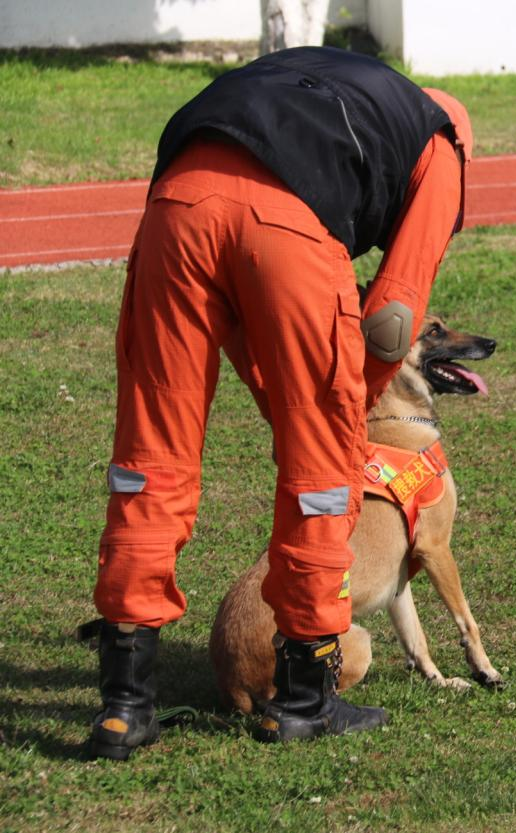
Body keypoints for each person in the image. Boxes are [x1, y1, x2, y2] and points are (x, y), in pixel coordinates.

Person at [85, 46, 473, 760]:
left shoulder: (334, 81)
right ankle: (301, 701)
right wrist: (342, 419)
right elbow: (393, 318)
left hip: (175, 205)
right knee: (322, 477)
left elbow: (235, 309)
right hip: (288, 221)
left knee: (150, 456)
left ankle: (124, 705)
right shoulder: (442, 142)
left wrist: (279, 397)